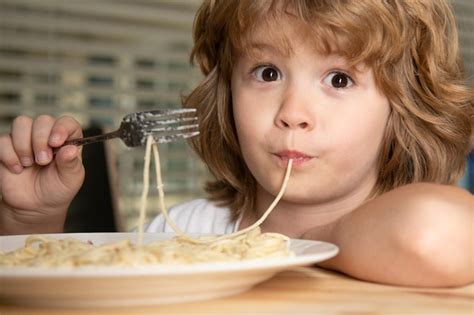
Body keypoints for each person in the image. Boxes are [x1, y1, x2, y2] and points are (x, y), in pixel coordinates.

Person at [0, 0, 472, 287]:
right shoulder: (181, 231)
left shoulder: (409, 228)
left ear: (405, 110)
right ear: (226, 95)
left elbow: (435, 233)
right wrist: (31, 221)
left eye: (339, 78)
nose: (292, 112)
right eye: (267, 73)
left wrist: (296, 246)